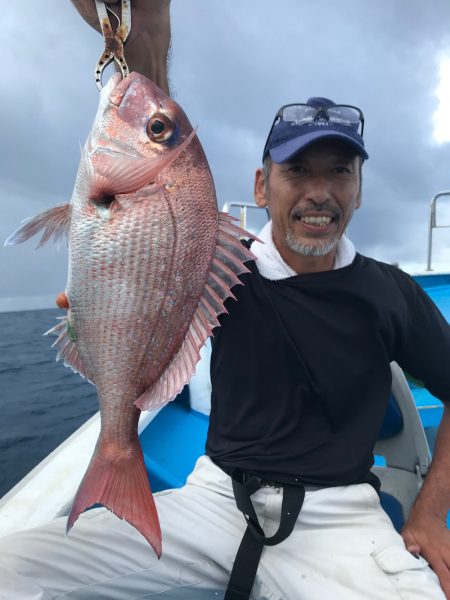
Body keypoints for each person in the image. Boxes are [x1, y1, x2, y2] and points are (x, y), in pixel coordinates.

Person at [1, 2, 449, 599]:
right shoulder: (223, 260)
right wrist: (111, 296)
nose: (319, 192)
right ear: (262, 186)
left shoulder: (391, 290)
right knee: (13, 565)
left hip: (340, 514)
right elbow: (153, 119)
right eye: (297, 171)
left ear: (360, 190)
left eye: (339, 172)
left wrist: (426, 512)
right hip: (213, 498)